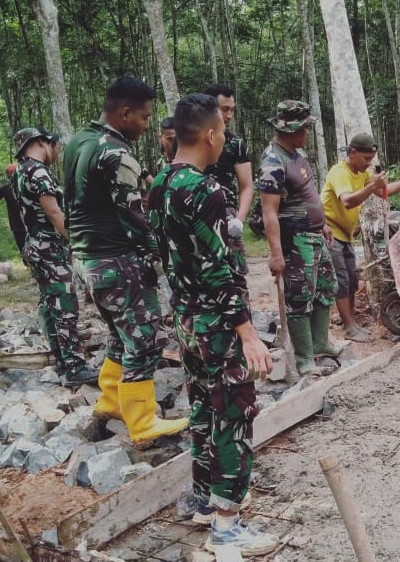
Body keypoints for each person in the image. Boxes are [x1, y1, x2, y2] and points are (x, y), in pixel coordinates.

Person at [148, 93, 276, 556]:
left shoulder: (161, 183)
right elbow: (220, 268)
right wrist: (247, 333)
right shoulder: (205, 189)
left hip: (187, 319)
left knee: (203, 407)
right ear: (209, 135)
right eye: (221, 131)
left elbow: (170, 256)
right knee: (235, 412)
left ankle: (203, 500)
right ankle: (227, 523)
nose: (224, 140)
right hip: (218, 324)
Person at [63, 75, 188, 448]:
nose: (147, 125)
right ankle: (143, 423)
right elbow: (133, 214)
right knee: (147, 340)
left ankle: (109, 403)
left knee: (120, 335)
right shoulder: (117, 154)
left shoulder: (78, 142)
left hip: (87, 259)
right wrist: (157, 257)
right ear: (125, 112)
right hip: (117, 258)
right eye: (145, 118)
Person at [10, 128, 98, 387]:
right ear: (42, 143)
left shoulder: (19, 171)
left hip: (35, 245)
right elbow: (54, 212)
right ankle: (74, 367)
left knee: (49, 304)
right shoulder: (37, 171)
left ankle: (61, 357)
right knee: (64, 305)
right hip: (49, 246)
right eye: (56, 146)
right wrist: (78, 241)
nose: (57, 152)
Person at [258, 100, 338, 376]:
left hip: (314, 233)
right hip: (296, 238)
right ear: (291, 129)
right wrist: (276, 252)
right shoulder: (273, 161)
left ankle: (320, 343)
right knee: (299, 297)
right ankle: (305, 359)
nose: (307, 133)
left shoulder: (297, 153)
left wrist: (323, 223)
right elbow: (269, 211)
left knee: (325, 288)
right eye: (304, 128)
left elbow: (309, 191)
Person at [322, 133, 400, 342]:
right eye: (366, 159)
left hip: (345, 234)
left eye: (371, 159)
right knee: (341, 279)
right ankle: (349, 326)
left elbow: (384, 192)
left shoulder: (361, 172)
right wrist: (371, 186)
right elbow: (347, 201)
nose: (368, 164)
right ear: (353, 153)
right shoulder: (340, 173)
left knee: (351, 279)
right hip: (329, 230)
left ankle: (351, 322)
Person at [203, 84, 254, 272]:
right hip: (197, 211)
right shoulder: (189, 140)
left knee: (235, 274)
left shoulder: (235, 144)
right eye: (224, 109)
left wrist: (239, 219)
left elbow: (247, 185)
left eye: (232, 110)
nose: (229, 115)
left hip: (227, 215)